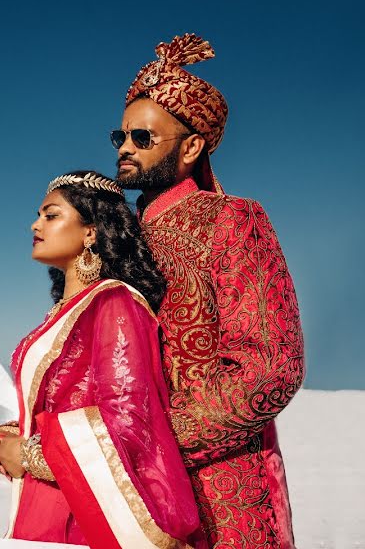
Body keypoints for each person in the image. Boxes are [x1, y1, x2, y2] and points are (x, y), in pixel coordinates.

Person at [114, 33, 305, 548]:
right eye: (121, 136)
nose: (125, 148)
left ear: (191, 146)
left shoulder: (232, 221)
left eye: (143, 137)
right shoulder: (114, 244)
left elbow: (271, 366)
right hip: (122, 493)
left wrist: (147, 445)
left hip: (221, 493)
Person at [0, 170, 206, 548]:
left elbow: (127, 422)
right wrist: (12, 432)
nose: (35, 224)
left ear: (91, 232)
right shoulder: (65, 311)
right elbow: (64, 400)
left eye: (51, 215)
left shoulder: (115, 302)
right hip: (48, 501)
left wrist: (27, 453)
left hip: (87, 515)